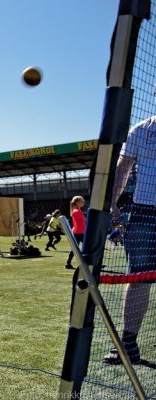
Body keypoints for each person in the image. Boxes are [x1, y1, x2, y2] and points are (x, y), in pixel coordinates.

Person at [104, 116, 156, 365]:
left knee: (140, 277)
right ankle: (127, 345)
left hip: (143, 214)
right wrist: (113, 202)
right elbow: (123, 167)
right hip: (144, 211)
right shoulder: (141, 130)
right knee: (139, 277)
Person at [65, 196, 86, 269]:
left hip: (79, 232)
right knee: (87, 247)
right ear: (77, 202)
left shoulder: (76, 211)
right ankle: (90, 263)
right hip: (79, 232)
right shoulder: (77, 211)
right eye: (81, 201)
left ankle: (68, 263)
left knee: (75, 249)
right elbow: (85, 221)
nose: (83, 202)